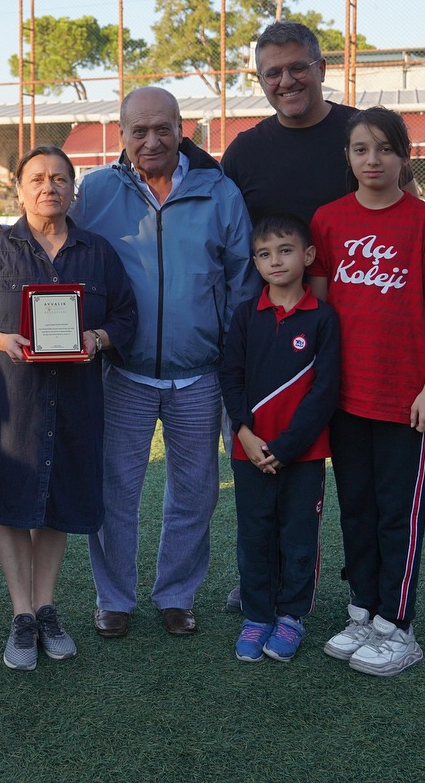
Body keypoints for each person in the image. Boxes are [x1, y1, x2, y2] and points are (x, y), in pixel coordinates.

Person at [76, 86, 254, 639]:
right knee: (114, 492)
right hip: (123, 372)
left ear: (183, 129)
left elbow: (241, 278)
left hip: (199, 373)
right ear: (122, 132)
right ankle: (115, 598)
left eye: (163, 129)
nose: (151, 140)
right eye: (139, 130)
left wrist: (232, 356)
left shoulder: (218, 192)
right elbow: (56, 242)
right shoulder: (98, 190)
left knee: (196, 492)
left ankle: (177, 594)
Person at [0, 145, 138, 670]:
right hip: (8, 401)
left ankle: (46, 606)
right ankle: (21, 615)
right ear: (19, 189)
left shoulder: (97, 253)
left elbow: (126, 316)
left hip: (76, 399)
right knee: (12, 503)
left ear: (73, 190)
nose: (48, 187)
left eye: (59, 178)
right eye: (37, 178)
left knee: (55, 504)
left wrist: (98, 337)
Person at [308, 106, 425, 677]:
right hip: (345, 397)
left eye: (384, 149)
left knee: (400, 513)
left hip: (403, 398)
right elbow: (317, 311)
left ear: (404, 156)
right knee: (357, 511)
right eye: (361, 149)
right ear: (347, 157)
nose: (373, 160)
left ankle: (399, 625)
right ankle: (363, 611)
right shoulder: (328, 220)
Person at [219, 213, 339, 663]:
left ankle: (290, 616)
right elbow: (230, 377)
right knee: (254, 533)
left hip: (302, 455)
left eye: (285, 251)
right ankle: (256, 614)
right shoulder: (246, 315)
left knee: (299, 534)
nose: (276, 261)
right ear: (255, 262)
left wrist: (286, 449)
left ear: (307, 256)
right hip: (248, 451)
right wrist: (246, 435)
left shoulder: (323, 318)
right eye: (265, 254)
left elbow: (325, 391)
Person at [222, 21, 359, 227]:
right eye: (273, 73)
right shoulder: (242, 153)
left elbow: (408, 213)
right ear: (261, 81)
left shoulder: (366, 134)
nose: (286, 81)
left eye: (298, 68)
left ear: (321, 69)